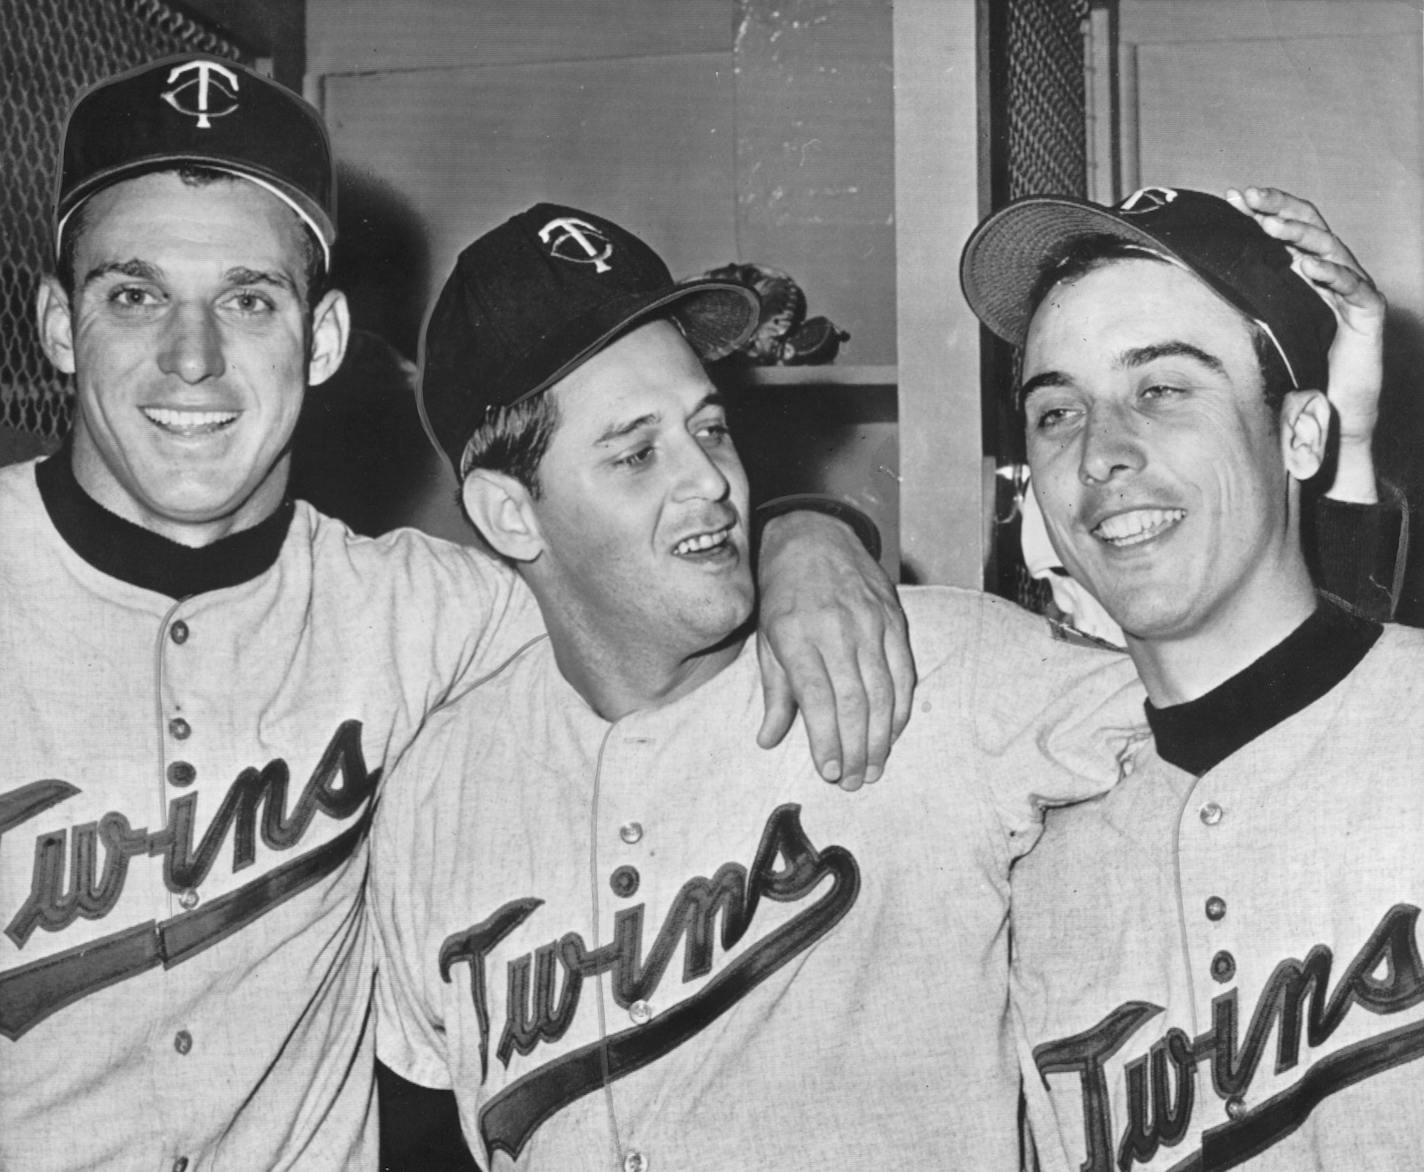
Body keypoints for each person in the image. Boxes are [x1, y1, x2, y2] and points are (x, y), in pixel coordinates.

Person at [0, 55, 914, 1171]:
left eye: (249, 299)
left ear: (323, 339)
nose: (192, 359)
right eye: (133, 295)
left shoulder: (425, 613)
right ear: (56, 322)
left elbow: (636, 587)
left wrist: (805, 534)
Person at [369, 201, 1151, 1171]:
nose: (711, 478)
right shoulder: (435, 793)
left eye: (709, 426)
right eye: (635, 451)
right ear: (509, 514)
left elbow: (1293, 720)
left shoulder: (920, 662)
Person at [960, 184, 1424, 1169]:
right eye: (1055, 410)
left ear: (1301, 434)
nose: (1101, 453)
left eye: (1162, 389)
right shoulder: (1027, 857)